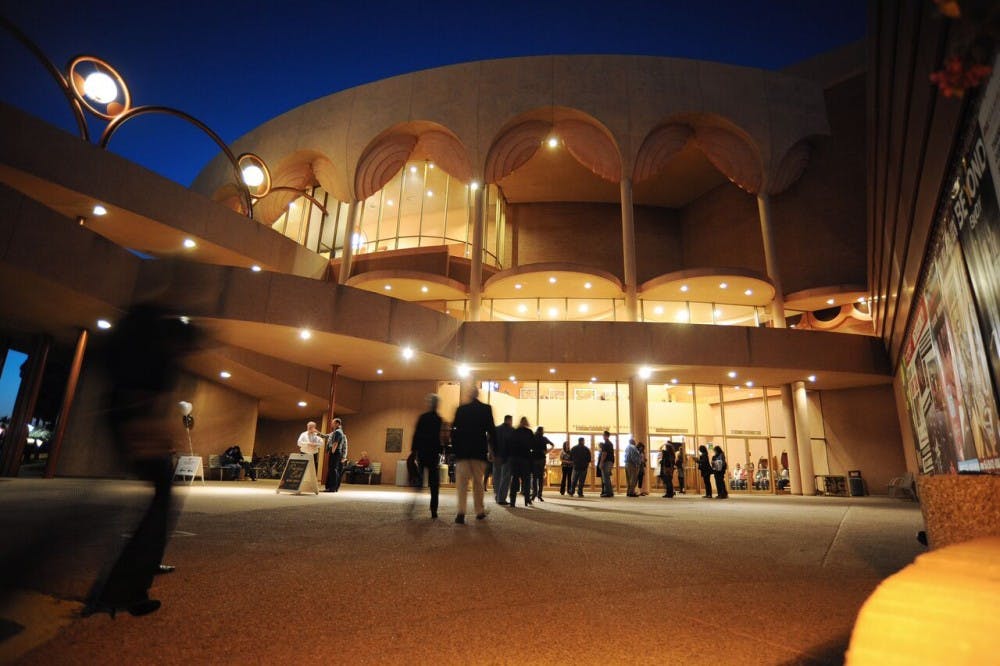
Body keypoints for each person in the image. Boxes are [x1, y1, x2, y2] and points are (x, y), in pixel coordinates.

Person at [83, 302, 200, 618]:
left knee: (160, 499)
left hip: (127, 419)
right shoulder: (156, 357)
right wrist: (149, 437)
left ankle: (134, 574)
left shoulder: (153, 350)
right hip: (131, 421)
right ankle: (125, 589)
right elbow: (139, 400)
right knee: (161, 500)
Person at [450, 387, 495, 524]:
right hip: (478, 451)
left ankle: (461, 512)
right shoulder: (486, 409)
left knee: (462, 484)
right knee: (478, 483)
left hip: (463, 452)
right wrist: (492, 450)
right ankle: (479, 511)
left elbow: (454, 431)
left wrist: (456, 449)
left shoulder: (461, 409)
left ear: (469, 394)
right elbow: (491, 431)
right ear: (478, 394)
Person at [411, 393, 443, 518]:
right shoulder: (438, 419)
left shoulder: (423, 417)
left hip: (423, 452)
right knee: (434, 484)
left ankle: (413, 506)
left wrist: (414, 451)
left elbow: (416, 435)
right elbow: (438, 438)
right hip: (433, 453)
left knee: (420, 481)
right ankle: (433, 509)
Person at [507, 417, 534, 507]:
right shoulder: (529, 432)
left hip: (515, 459)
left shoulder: (514, 432)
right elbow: (532, 445)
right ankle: (526, 499)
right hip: (525, 458)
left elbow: (510, 445)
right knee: (526, 480)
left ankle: (512, 501)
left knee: (514, 479)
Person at [493, 415, 514, 505]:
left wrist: (490, 453)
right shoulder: (512, 430)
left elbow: (490, 441)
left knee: (497, 477)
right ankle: (501, 498)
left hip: (496, 456)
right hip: (507, 457)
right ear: (509, 420)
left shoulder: (496, 429)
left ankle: (497, 495)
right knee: (505, 478)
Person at [324, 418, 347, 492]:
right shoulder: (336, 432)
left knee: (333, 470)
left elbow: (336, 443)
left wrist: (333, 451)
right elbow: (326, 436)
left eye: (333, 423)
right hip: (337, 452)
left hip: (335, 452)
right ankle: (334, 487)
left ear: (337, 424)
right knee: (334, 470)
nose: (331, 424)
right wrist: (316, 432)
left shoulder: (337, 432)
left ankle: (332, 488)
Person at [530, 426, 551, 502]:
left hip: (534, 458)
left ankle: (534, 494)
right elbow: (552, 444)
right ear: (542, 431)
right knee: (540, 478)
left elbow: (529, 447)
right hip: (542, 458)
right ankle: (539, 495)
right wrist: (547, 452)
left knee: (534, 477)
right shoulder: (544, 438)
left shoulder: (533, 437)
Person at [598, 431, 615, 497]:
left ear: (606, 436)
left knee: (605, 478)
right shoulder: (610, 443)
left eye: (603, 435)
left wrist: (601, 463)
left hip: (606, 462)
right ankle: (610, 492)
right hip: (610, 461)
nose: (603, 436)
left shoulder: (606, 444)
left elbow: (604, 454)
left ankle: (608, 493)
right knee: (607, 477)